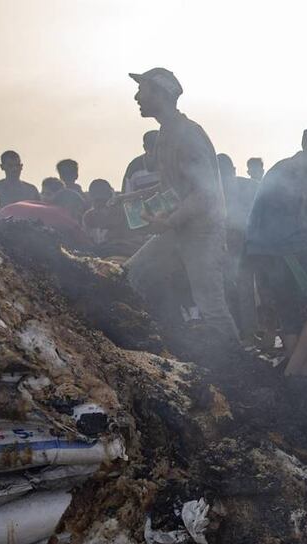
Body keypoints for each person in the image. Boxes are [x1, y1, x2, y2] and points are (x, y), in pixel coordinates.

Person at [122, 67, 239, 343]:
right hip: (178, 229)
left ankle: (241, 367)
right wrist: (130, 198)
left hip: (202, 233)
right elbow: (173, 186)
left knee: (211, 305)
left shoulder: (188, 135)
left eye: (143, 90)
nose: (137, 97)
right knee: (130, 276)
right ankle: (167, 338)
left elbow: (204, 193)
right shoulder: (166, 133)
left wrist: (169, 222)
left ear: (160, 94)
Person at [244, 123, 307, 377]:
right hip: (286, 250)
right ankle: (291, 376)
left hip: (259, 251)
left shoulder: (281, 166)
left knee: (288, 311)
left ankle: (305, 377)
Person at [217, 153, 260, 340]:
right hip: (239, 245)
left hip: (237, 245)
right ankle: (247, 333)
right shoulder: (250, 186)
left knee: (234, 289)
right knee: (242, 289)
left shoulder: (217, 191)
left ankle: (243, 334)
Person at [82, 178, 142, 257]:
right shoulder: (88, 217)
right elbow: (88, 243)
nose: (101, 205)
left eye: (103, 201)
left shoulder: (124, 212)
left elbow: (135, 239)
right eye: (97, 201)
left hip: (126, 253)